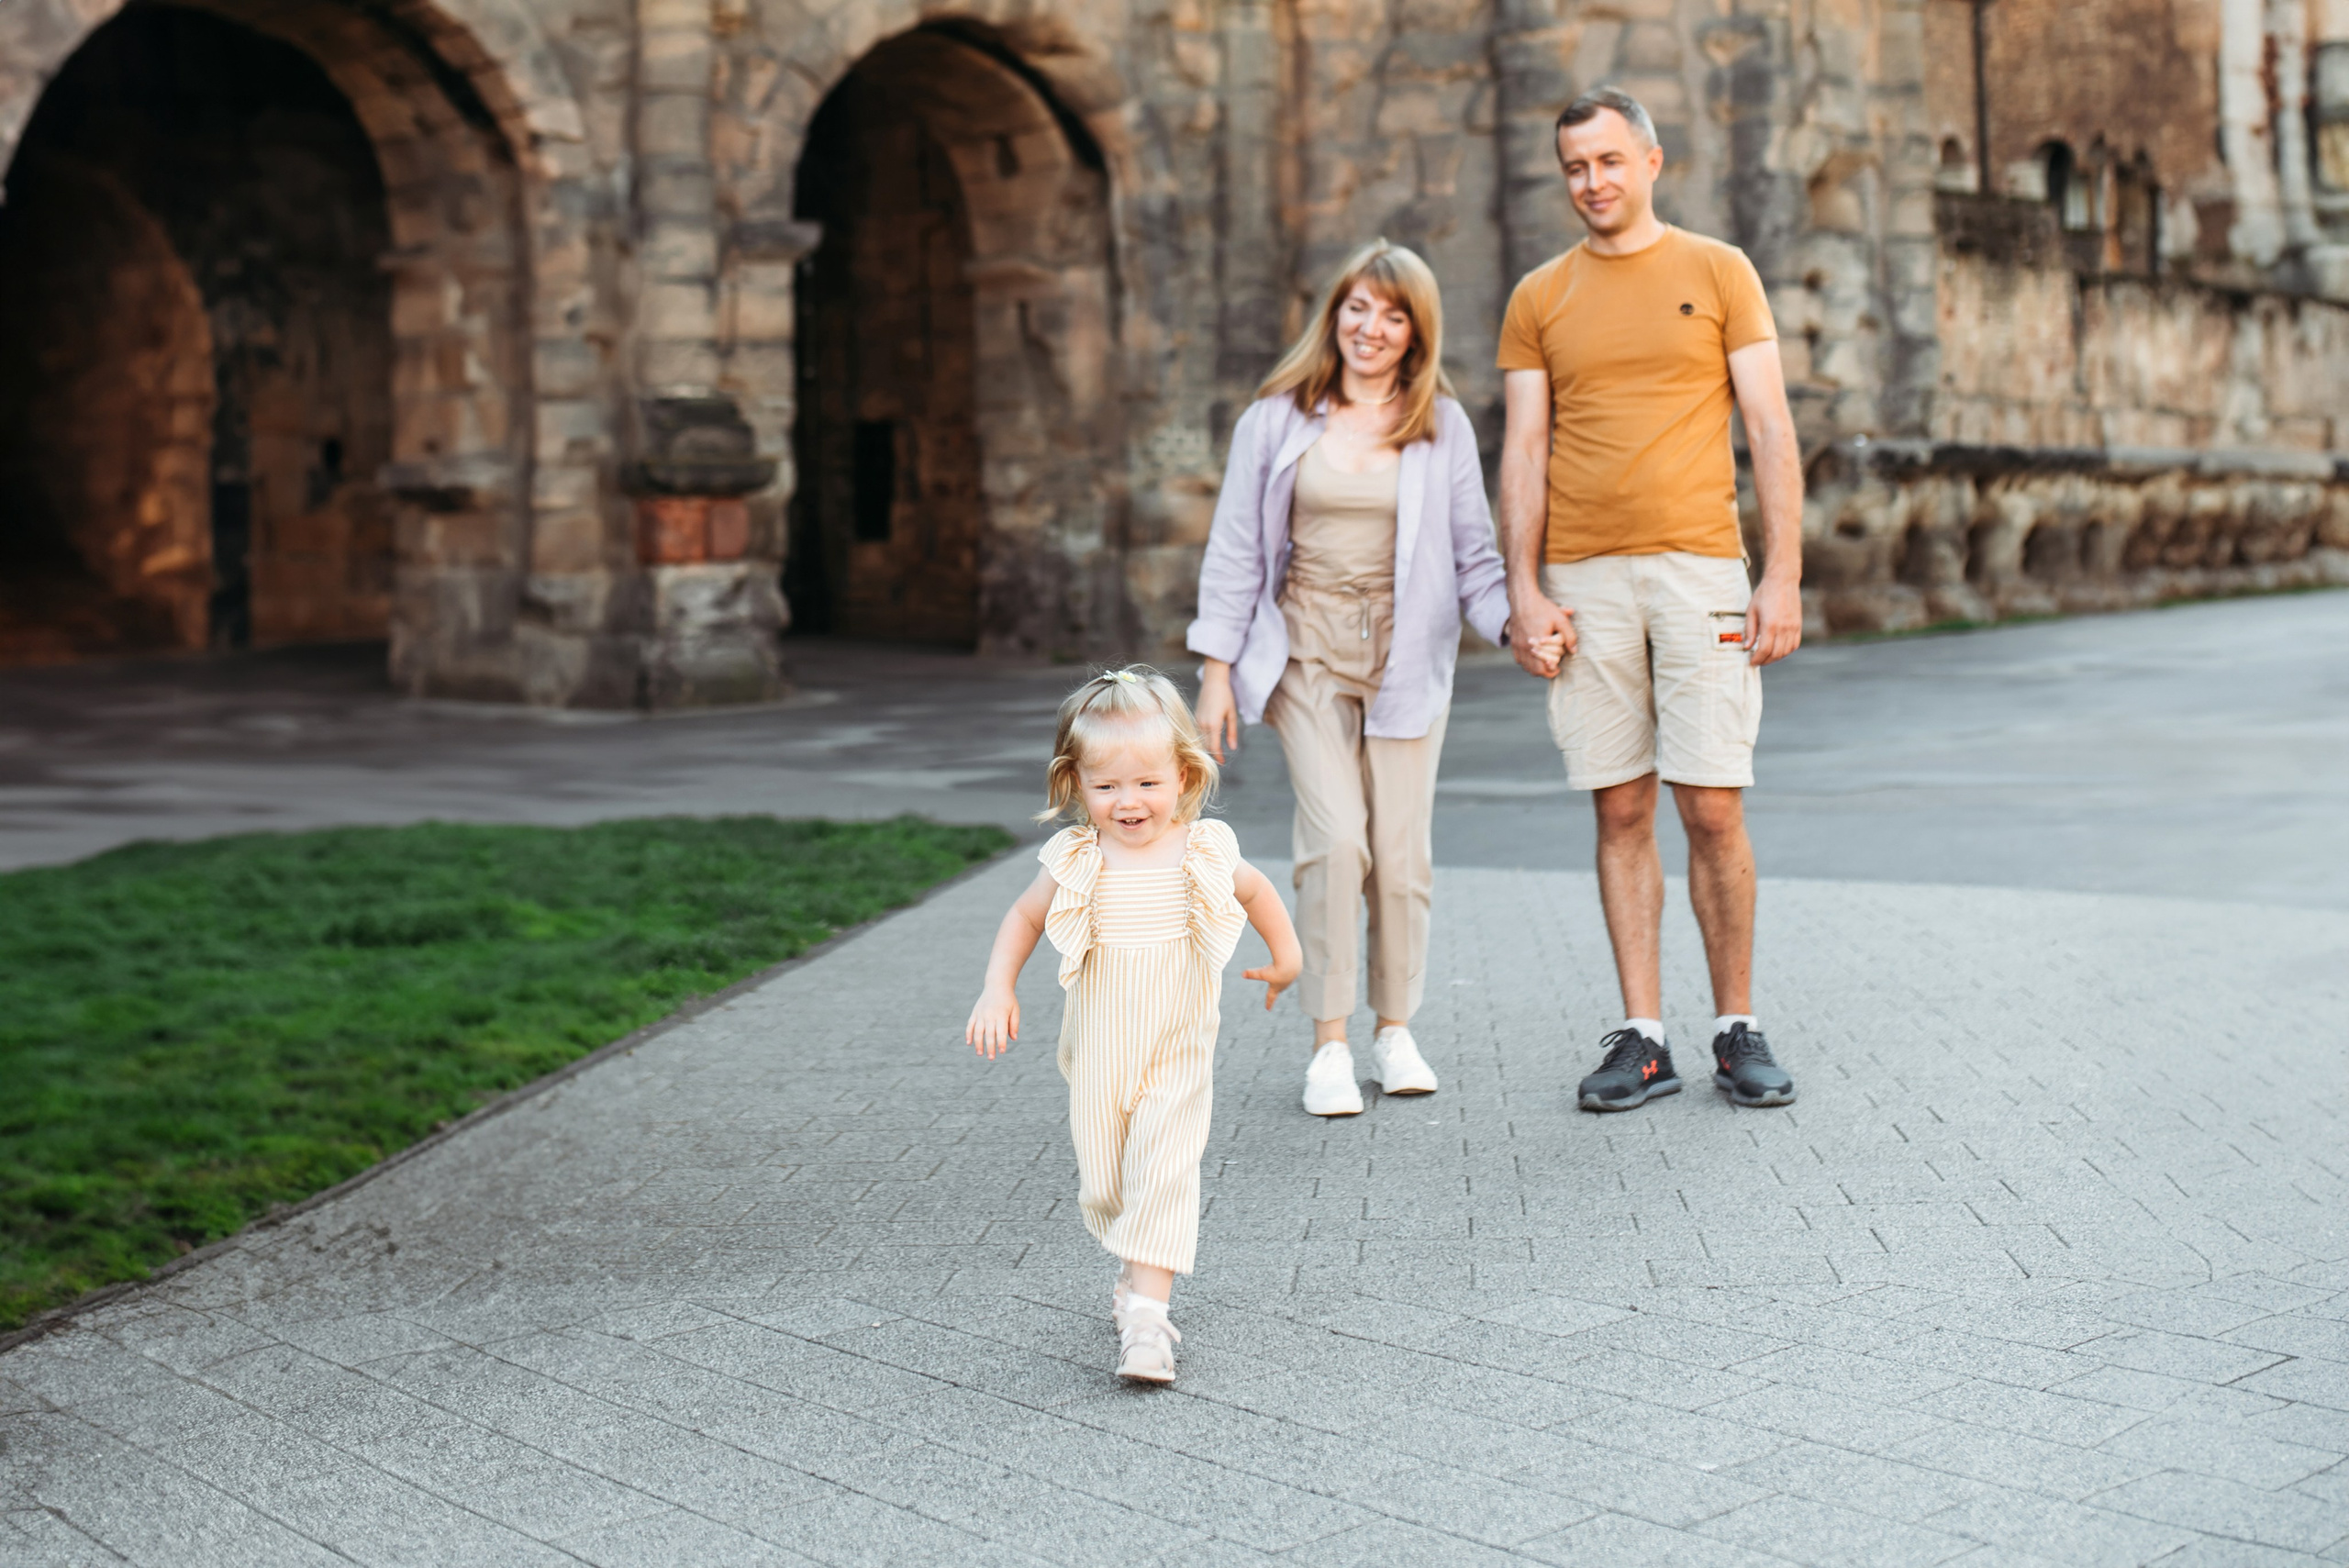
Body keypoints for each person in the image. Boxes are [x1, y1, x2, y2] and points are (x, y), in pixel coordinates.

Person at [1495, 87, 1806, 1113]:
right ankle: (1642, 1037)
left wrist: (1781, 573)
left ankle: (1735, 1026)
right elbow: (1525, 448)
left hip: (1699, 569)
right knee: (1619, 802)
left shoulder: (1718, 271)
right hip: (1582, 578)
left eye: (1608, 161)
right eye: (1574, 166)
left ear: (1651, 161)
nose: (1592, 181)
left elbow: (1768, 428)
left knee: (1711, 802)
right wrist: (1523, 587)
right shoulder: (1539, 294)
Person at [1189, 239, 1510, 1118]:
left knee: (1400, 858)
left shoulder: (1440, 424)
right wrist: (1216, 671)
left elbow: (1477, 560)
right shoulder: (1277, 418)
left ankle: (1394, 1027)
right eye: (1359, 308)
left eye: (1394, 314)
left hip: (1406, 657)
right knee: (1336, 841)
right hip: (1303, 649)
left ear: (1417, 332)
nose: (1373, 328)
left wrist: (1519, 624)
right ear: (1335, 314)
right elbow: (1235, 552)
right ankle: (1329, 1041)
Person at [966, 667, 1301, 1384]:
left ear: (1182, 776)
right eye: (1107, 785)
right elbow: (1024, 917)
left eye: (1147, 783)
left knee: (1164, 1169)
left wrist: (1287, 956)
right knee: (1110, 1180)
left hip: (1177, 1051)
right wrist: (998, 987)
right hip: (1098, 1055)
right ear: (1076, 784)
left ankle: (1149, 1321)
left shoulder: (1201, 848)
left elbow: (1258, 889)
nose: (1129, 802)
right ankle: (1133, 1277)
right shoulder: (1078, 858)